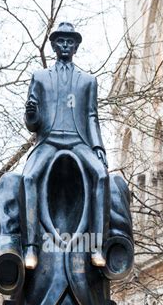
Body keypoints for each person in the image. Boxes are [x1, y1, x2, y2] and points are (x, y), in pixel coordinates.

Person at [22, 22, 109, 270]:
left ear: (76, 46)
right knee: (28, 178)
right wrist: (31, 115)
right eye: (60, 41)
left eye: (70, 42)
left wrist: (98, 147)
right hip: (49, 140)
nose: (65, 45)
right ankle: (31, 248)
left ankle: (97, 248)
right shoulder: (39, 77)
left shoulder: (88, 81)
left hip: (77, 140)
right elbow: (32, 124)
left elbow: (92, 117)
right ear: (53, 45)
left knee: (101, 176)